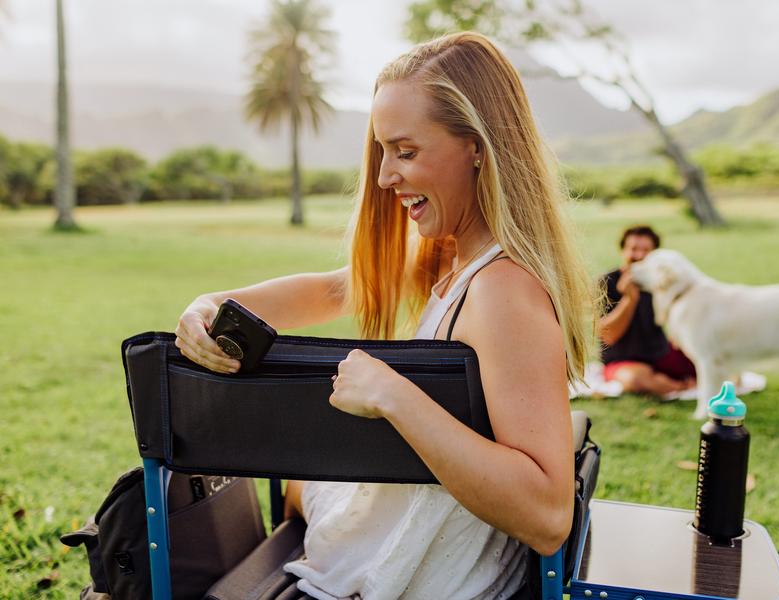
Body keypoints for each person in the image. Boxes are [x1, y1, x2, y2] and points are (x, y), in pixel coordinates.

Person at [175, 32, 594, 599]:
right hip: (401, 534)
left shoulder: (503, 292)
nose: (383, 177)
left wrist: (394, 395)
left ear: (477, 146)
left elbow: (547, 516)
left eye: (406, 151)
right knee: (302, 481)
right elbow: (331, 291)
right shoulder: (453, 257)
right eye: (382, 151)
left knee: (299, 482)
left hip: (422, 578)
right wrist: (211, 306)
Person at [599, 225, 696, 397]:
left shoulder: (659, 283)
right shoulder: (607, 282)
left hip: (659, 354)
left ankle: (667, 382)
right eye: (634, 249)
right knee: (636, 380)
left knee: (712, 360)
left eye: (646, 251)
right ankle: (679, 386)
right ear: (623, 251)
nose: (639, 256)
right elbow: (608, 335)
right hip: (622, 360)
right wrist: (630, 299)